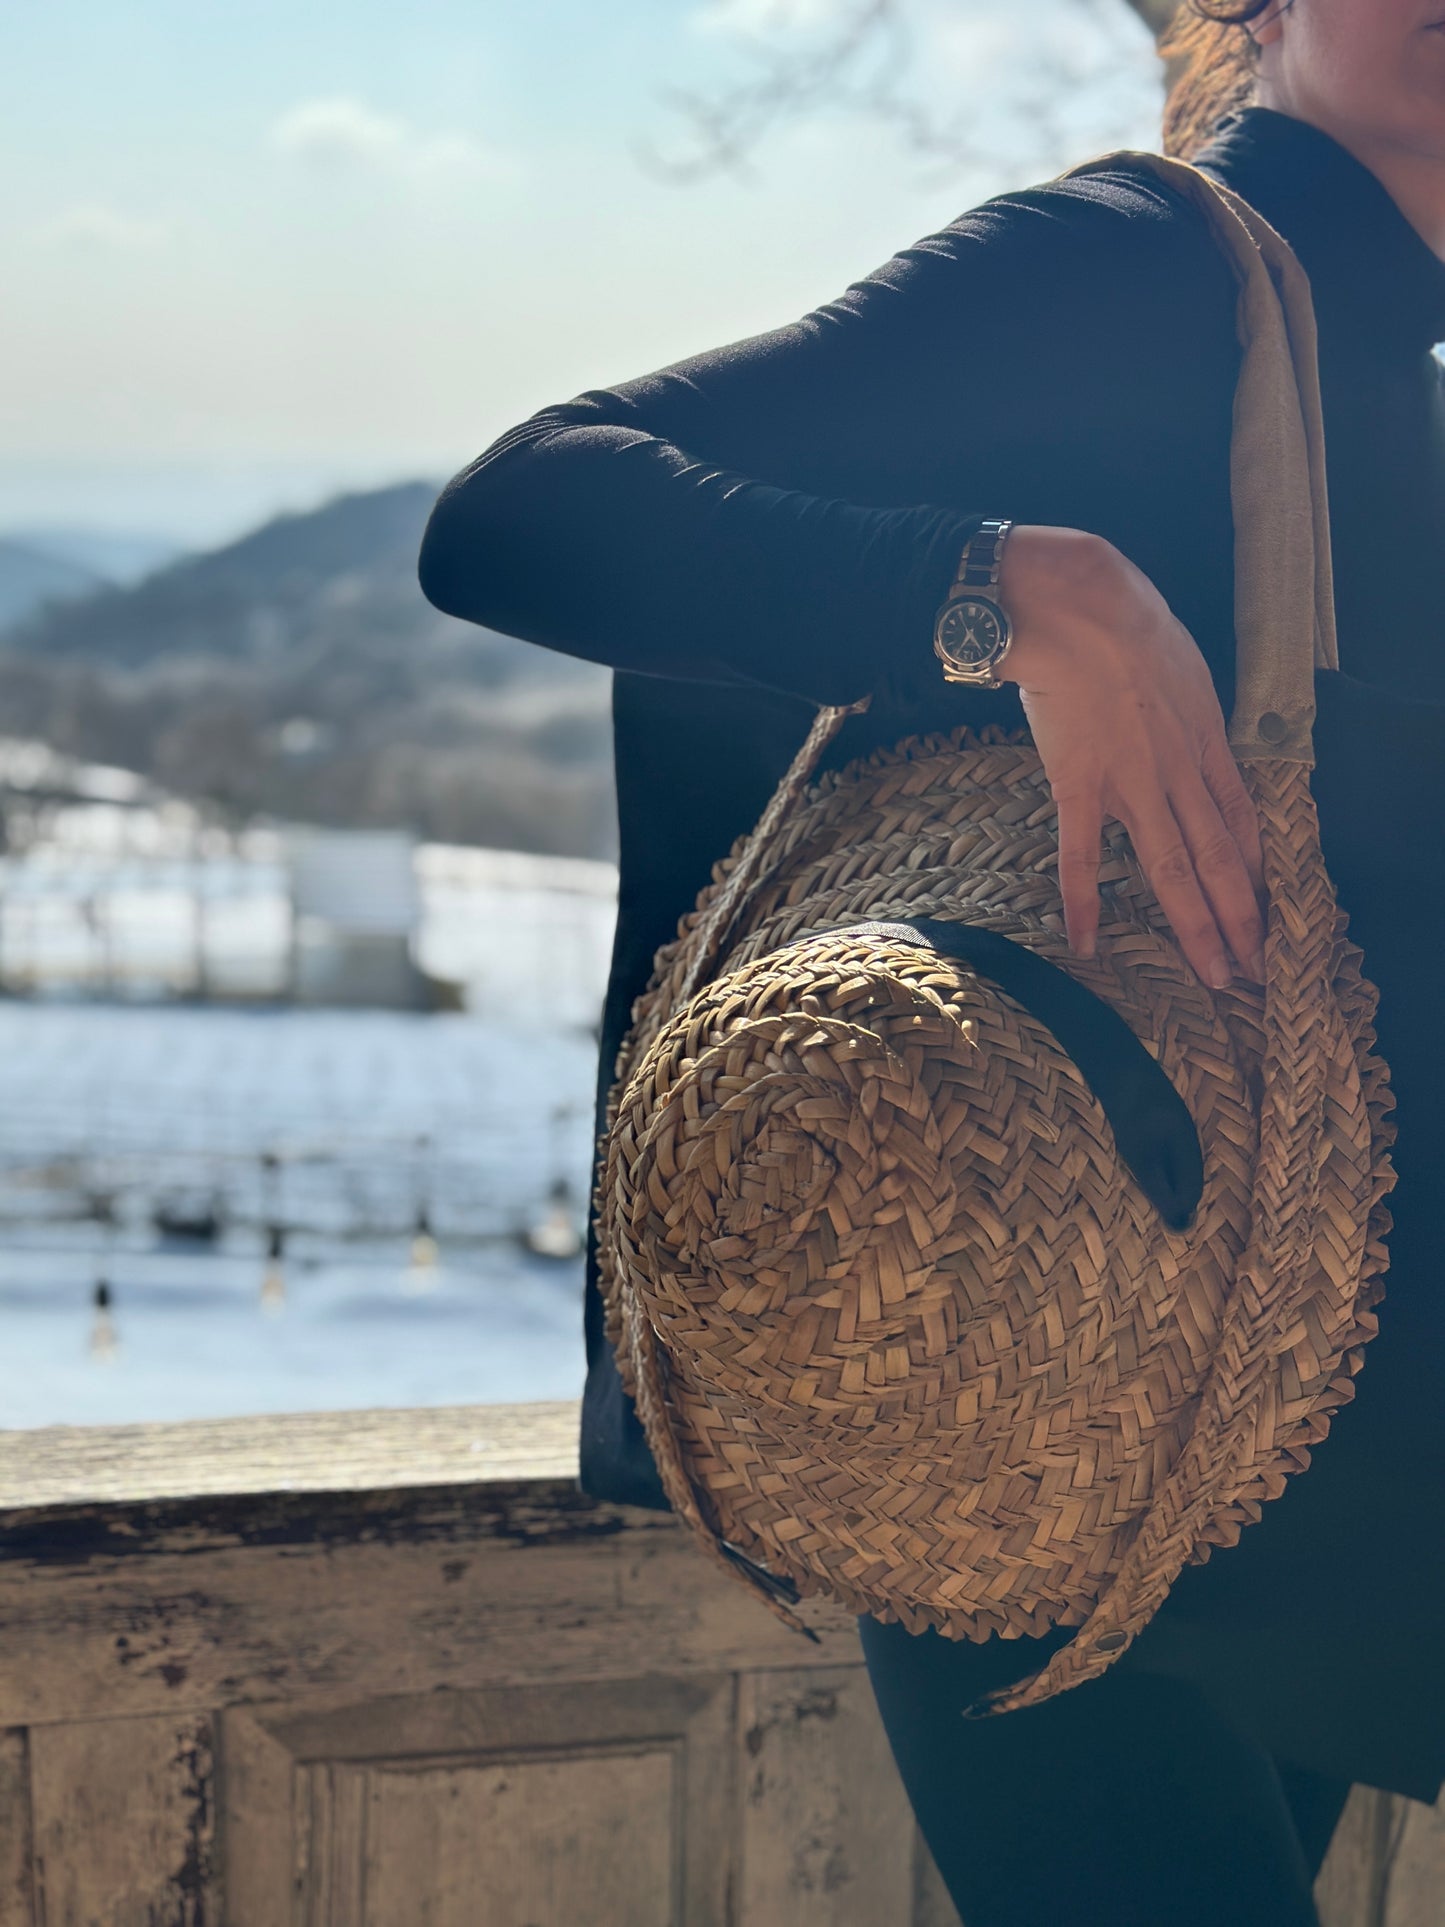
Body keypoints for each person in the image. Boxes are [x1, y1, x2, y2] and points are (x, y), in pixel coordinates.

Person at [419, 1, 1445, 1918]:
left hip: (1340, 1412)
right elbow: (521, 507)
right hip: (1036, 1362)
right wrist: (1000, 589)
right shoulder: (1126, 265)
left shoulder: (1411, 344)